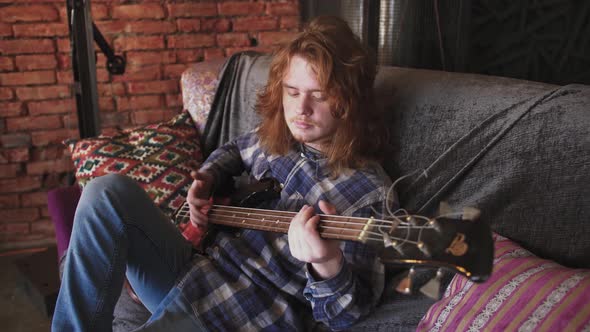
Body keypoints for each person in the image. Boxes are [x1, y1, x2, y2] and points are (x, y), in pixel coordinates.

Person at [52, 16, 395, 332]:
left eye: (318, 96)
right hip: (194, 270)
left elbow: (348, 314)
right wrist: (208, 178)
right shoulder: (277, 140)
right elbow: (233, 151)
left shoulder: (367, 190)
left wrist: (326, 260)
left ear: (350, 102)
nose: (301, 109)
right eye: (292, 92)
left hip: (238, 313)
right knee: (105, 191)